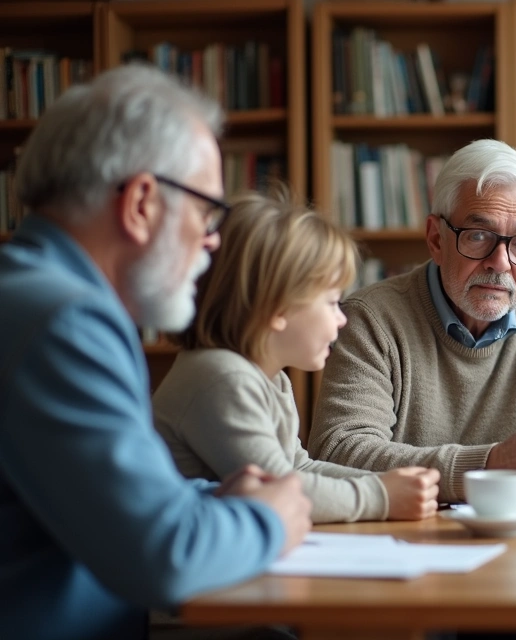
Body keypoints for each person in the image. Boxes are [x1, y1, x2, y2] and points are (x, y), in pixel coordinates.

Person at [0, 65, 312, 640]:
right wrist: (269, 518)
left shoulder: (30, 295)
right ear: (142, 202)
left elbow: (95, 493)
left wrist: (213, 497)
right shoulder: (65, 321)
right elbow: (166, 558)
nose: (213, 239)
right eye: (206, 211)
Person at [309, 138, 516, 510]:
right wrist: (490, 465)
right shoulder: (370, 319)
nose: (500, 262)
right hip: (404, 542)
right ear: (436, 239)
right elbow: (339, 450)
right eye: (479, 235)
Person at [152, 187, 441, 524]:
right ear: (277, 306)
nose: (342, 318)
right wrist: (381, 497)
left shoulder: (270, 379)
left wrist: (386, 484)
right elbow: (278, 490)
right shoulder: (221, 378)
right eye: (332, 301)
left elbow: (298, 467)